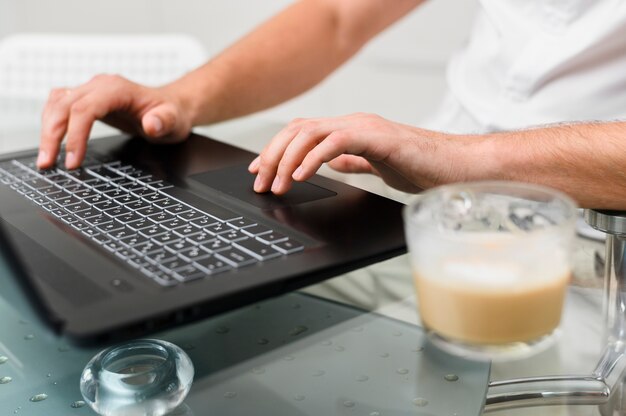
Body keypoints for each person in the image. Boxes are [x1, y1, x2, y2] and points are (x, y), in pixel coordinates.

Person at [36, 0, 626, 208]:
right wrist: (179, 101)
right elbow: (338, 15)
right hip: (428, 204)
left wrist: (454, 156)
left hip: (591, 237)